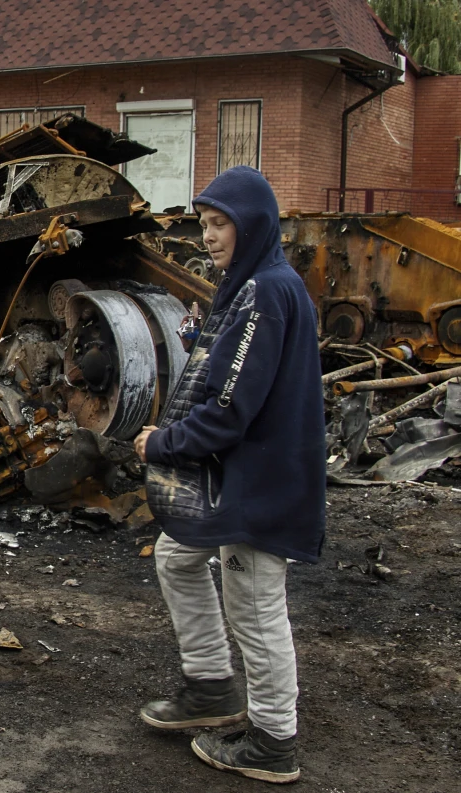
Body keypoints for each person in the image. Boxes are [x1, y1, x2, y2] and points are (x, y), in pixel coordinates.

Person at [133, 166, 325, 784]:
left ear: (254, 226)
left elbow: (231, 406)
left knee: (255, 603)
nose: (210, 236)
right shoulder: (254, 287)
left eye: (221, 224)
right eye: (206, 224)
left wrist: (163, 443)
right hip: (243, 476)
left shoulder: (266, 292)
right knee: (177, 556)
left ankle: (273, 740)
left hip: (260, 482)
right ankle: (211, 685)